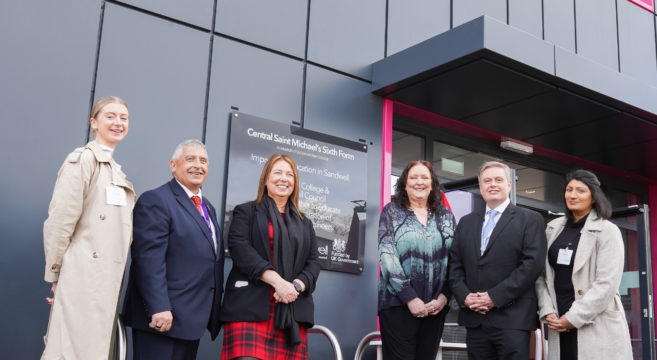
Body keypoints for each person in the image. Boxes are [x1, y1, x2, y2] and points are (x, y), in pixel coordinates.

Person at [42, 96, 136, 360]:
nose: (118, 122)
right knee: (71, 351)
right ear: (94, 122)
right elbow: (60, 221)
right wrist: (57, 274)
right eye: (110, 116)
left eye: (123, 118)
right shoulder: (83, 160)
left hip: (106, 281)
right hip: (82, 276)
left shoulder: (117, 172)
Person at [122, 139, 224, 360]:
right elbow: (148, 260)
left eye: (203, 161)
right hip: (162, 319)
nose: (198, 165)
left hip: (191, 321)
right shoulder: (156, 200)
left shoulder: (208, 207)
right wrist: (158, 307)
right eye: (190, 159)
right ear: (173, 165)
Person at [221, 154, 321, 360]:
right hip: (250, 310)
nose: (283, 178)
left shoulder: (305, 223)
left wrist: (295, 287)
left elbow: (313, 263)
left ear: (295, 182)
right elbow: (240, 249)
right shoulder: (246, 212)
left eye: (289, 174)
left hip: (291, 314)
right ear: (265, 179)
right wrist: (278, 283)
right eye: (277, 172)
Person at [449, 161, 547, 360]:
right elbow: (454, 265)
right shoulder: (466, 222)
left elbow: (531, 265)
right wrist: (465, 296)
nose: (492, 184)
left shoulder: (530, 219)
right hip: (475, 319)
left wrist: (494, 297)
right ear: (480, 185)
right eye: (487, 181)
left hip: (512, 319)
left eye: (498, 180)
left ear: (509, 185)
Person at [535, 169, 632, 359]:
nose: (572, 195)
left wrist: (573, 318)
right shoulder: (552, 228)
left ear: (593, 197)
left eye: (581, 190)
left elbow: (607, 284)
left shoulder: (607, 230)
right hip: (558, 320)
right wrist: (547, 310)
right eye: (569, 189)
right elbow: (541, 277)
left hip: (595, 321)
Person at [378, 160, 456, 360]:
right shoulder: (392, 211)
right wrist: (410, 298)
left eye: (424, 178)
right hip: (398, 305)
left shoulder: (445, 215)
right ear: (404, 184)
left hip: (435, 308)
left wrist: (444, 297)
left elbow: (455, 259)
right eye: (413, 177)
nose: (419, 182)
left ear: (432, 184)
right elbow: (387, 257)